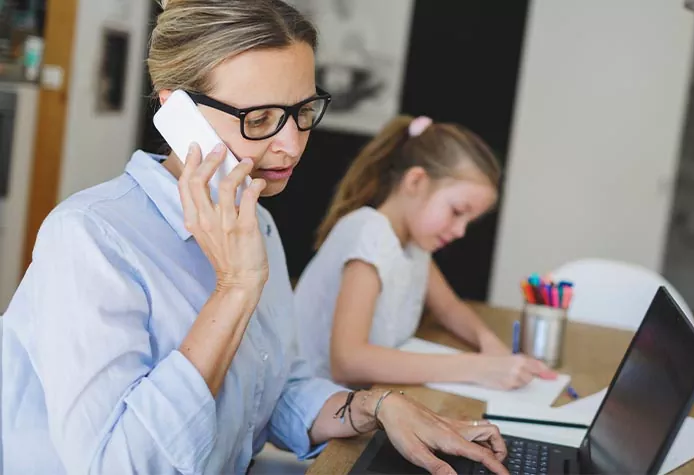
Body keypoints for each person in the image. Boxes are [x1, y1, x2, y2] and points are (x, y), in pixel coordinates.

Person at [0, 1, 509, 474]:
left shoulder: (255, 218)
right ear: (177, 113)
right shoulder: (91, 238)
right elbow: (119, 464)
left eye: (303, 112)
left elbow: (277, 387)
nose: (290, 145)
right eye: (259, 118)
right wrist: (236, 287)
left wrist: (377, 406)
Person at [294, 115, 556, 388]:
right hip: (310, 406)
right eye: (456, 212)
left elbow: (448, 308)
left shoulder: (412, 240)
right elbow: (348, 361)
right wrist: (477, 368)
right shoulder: (370, 235)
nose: (460, 231)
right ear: (416, 182)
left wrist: (489, 344)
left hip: (355, 401)